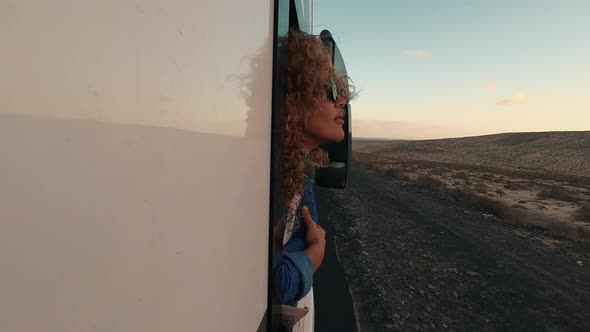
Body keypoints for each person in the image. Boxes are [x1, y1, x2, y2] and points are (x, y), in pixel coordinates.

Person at [272, 29, 355, 331]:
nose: (342, 100)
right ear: (294, 98)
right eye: (329, 89)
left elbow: (304, 234)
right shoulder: (267, 174)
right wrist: (312, 257)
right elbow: (270, 282)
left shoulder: (299, 167)